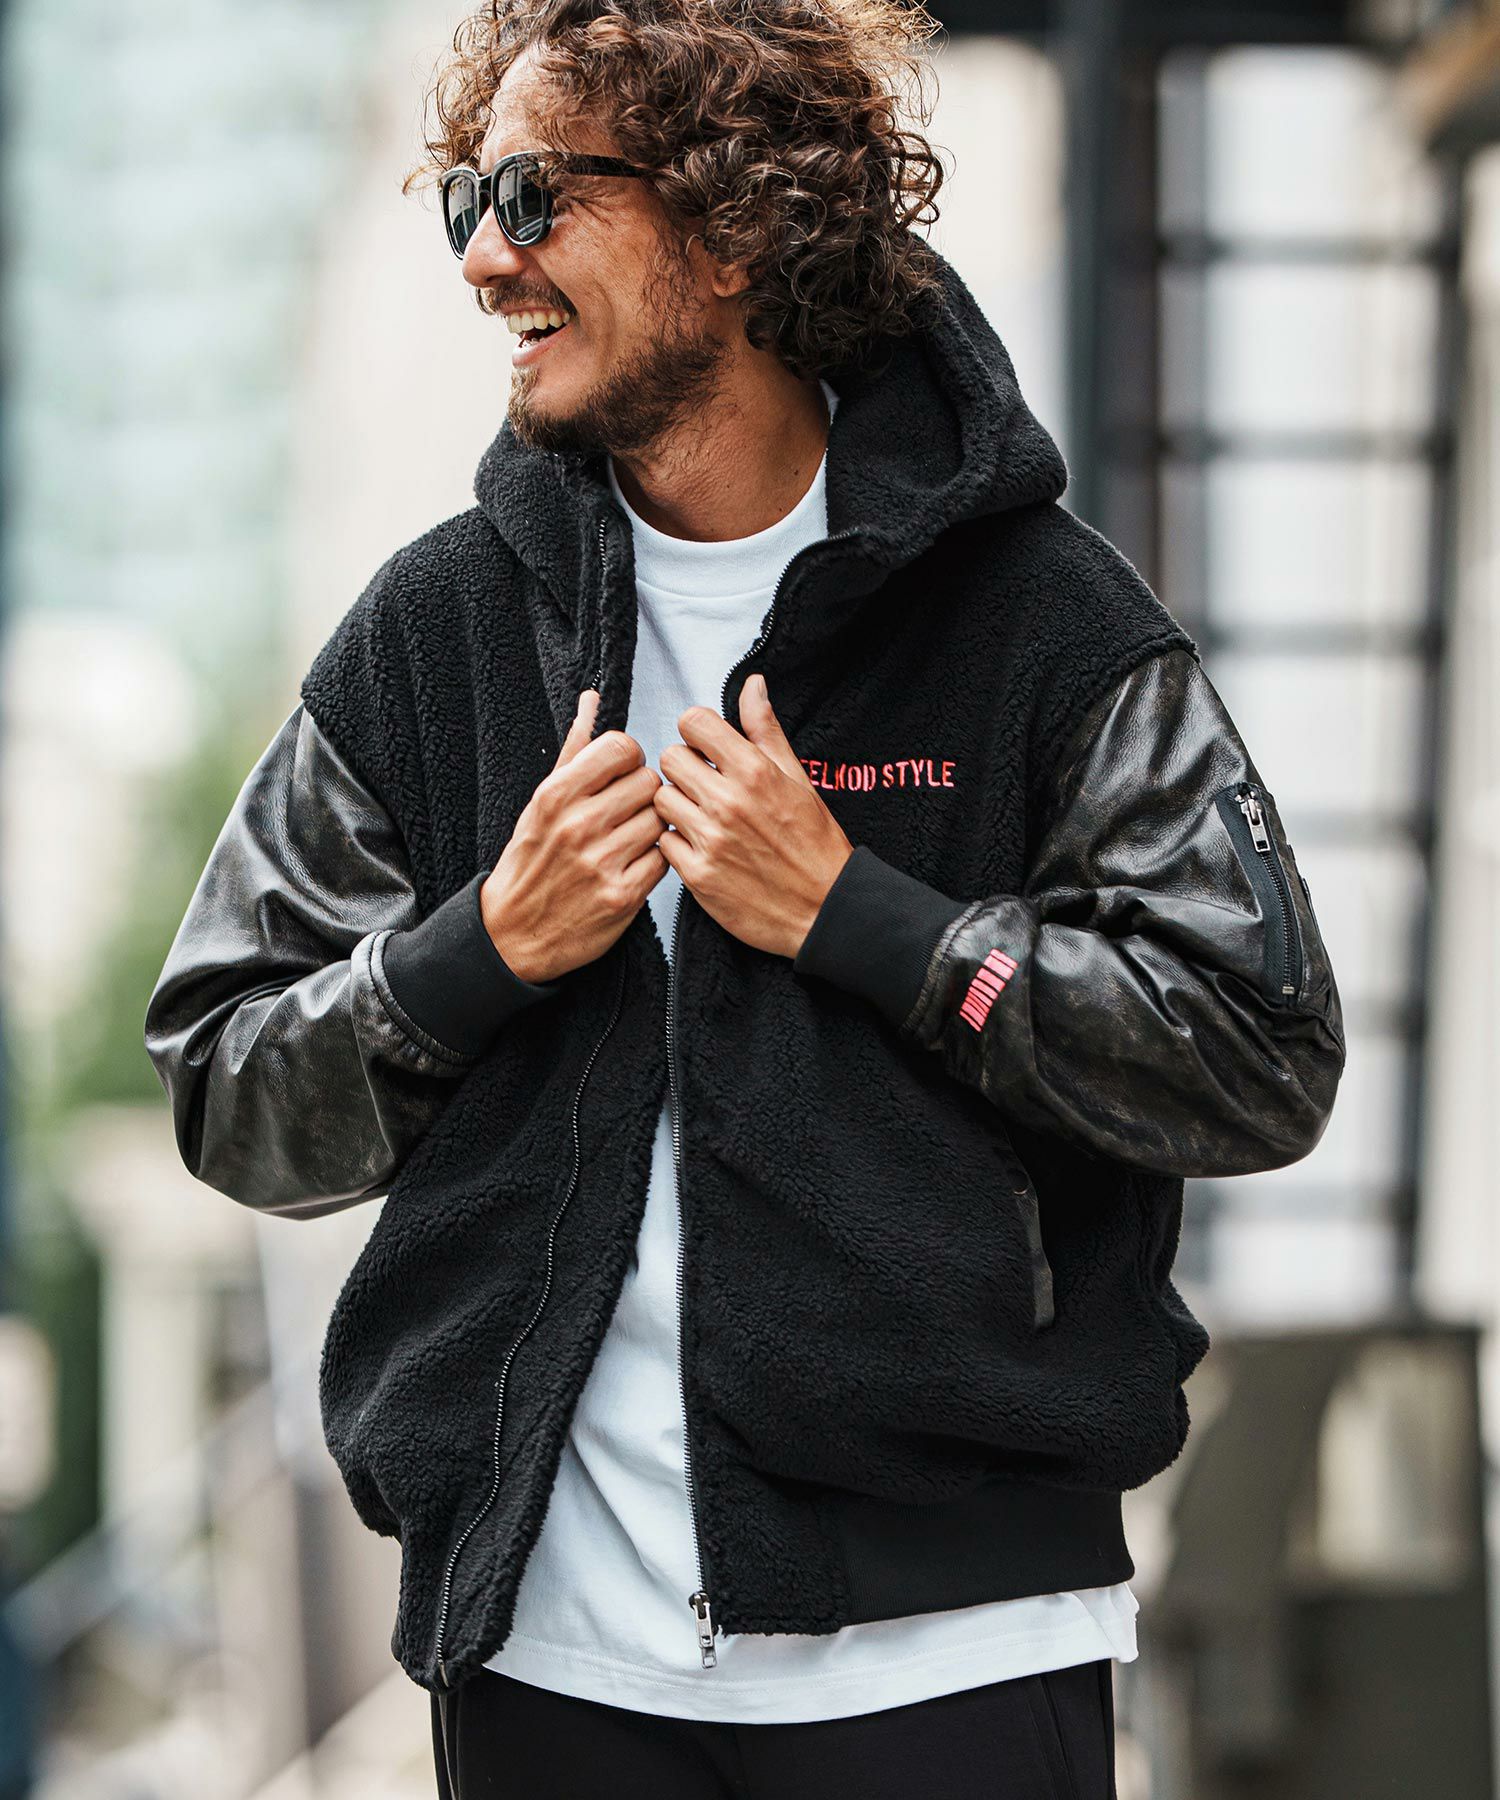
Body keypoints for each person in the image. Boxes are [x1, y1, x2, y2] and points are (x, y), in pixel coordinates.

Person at [143, 0, 1346, 1793]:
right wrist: (479, 953)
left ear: (731, 228)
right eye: (468, 200)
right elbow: (225, 1084)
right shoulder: (437, 633)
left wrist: (878, 926)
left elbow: (1257, 1051)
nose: (484, 258)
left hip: (956, 1648)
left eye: (538, 196)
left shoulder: (1041, 622)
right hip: (548, 1659)